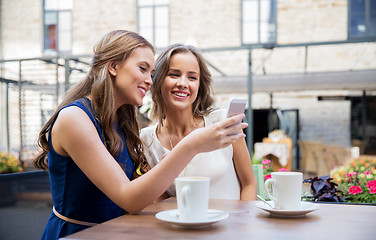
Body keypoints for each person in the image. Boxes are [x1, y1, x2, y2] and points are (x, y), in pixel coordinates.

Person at [32, 30, 247, 239]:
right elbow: (129, 198)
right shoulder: (74, 118)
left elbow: (146, 197)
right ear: (113, 67)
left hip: (120, 232)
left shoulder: (121, 123)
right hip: (79, 235)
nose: (149, 80)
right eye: (143, 69)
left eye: (152, 74)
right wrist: (190, 146)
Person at [140, 44, 257, 201]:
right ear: (158, 80)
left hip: (233, 223)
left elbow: (249, 183)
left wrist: (242, 223)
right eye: (174, 75)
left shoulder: (222, 121)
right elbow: (163, 201)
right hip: (184, 224)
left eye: (192, 77)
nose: (183, 83)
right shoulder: (147, 141)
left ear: (199, 86)